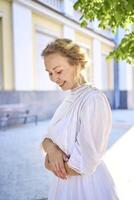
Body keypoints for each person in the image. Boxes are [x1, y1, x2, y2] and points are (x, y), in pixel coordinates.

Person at [41, 38, 119, 200]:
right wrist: (52, 149)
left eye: (58, 71)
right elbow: (47, 137)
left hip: (87, 188)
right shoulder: (70, 98)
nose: (54, 78)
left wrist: (49, 163)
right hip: (63, 185)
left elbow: (84, 162)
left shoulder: (93, 99)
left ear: (76, 63)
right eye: (49, 73)